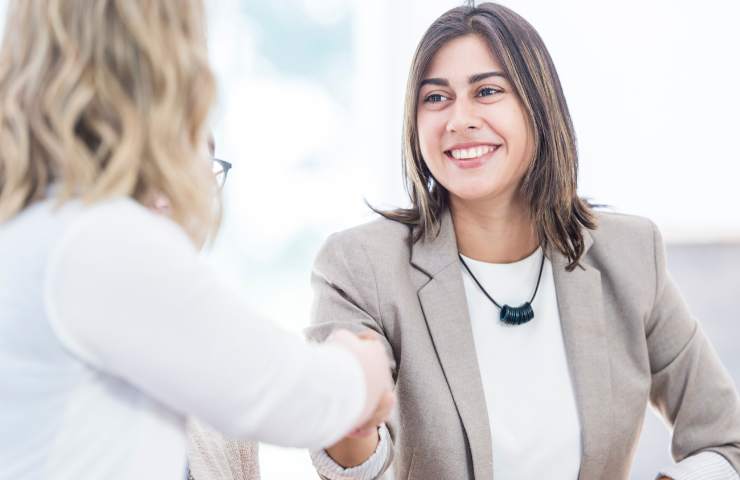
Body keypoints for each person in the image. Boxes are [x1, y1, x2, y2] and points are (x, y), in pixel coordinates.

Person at [305, 3, 740, 479]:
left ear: (538, 105)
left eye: (487, 91)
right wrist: (350, 415)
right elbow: (350, 469)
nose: (459, 119)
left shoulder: (630, 254)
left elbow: (726, 440)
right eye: (436, 98)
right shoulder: (360, 265)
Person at [0, 1, 394, 479]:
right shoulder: (100, 241)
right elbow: (285, 392)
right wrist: (363, 365)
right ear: (161, 69)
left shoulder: (36, 228)